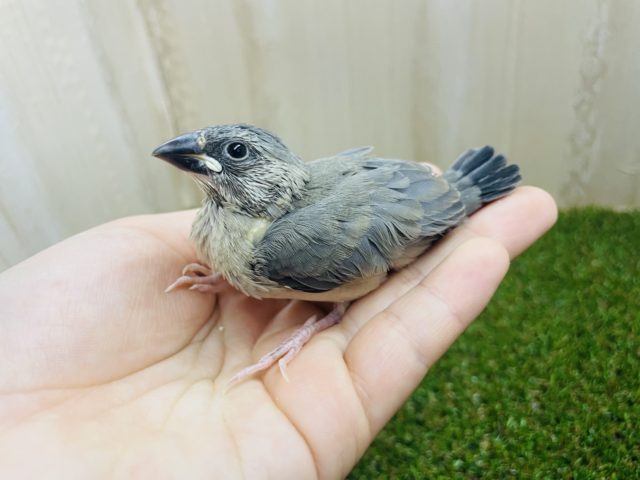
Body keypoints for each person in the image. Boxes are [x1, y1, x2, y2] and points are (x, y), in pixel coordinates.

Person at [0, 186, 556, 478]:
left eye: (234, 156)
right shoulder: (228, 230)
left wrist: (314, 323)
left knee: (334, 306)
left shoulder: (280, 246)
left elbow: (362, 273)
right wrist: (226, 278)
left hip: (412, 219)